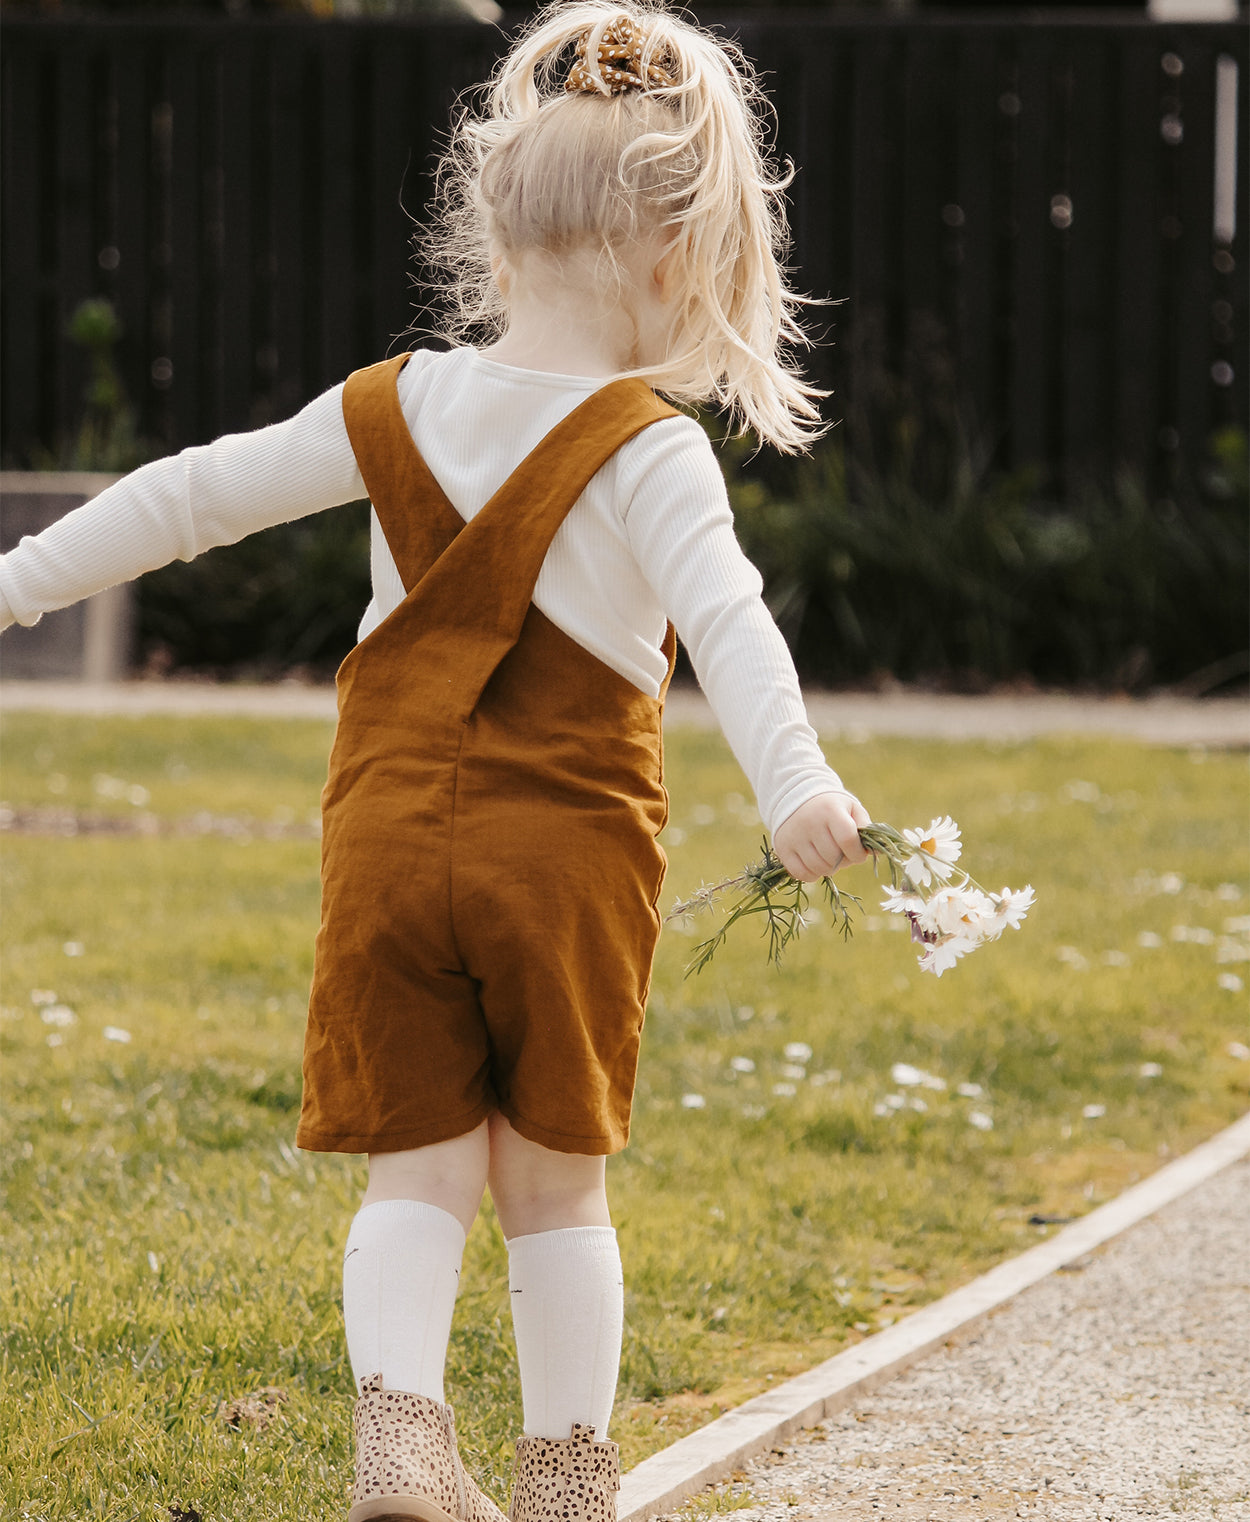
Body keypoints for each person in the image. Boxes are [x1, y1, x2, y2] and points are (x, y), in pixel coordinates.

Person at [0, 3, 872, 1518]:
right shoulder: (644, 446)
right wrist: (794, 786)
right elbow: (732, 630)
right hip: (565, 866)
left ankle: (399, 1434)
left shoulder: (395, 404)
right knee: (554, 1182)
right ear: (677, 258)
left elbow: (184, 497)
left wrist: (14, 583)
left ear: (498, 223)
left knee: (414, 1163)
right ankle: (561, 1478)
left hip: (391, 840)